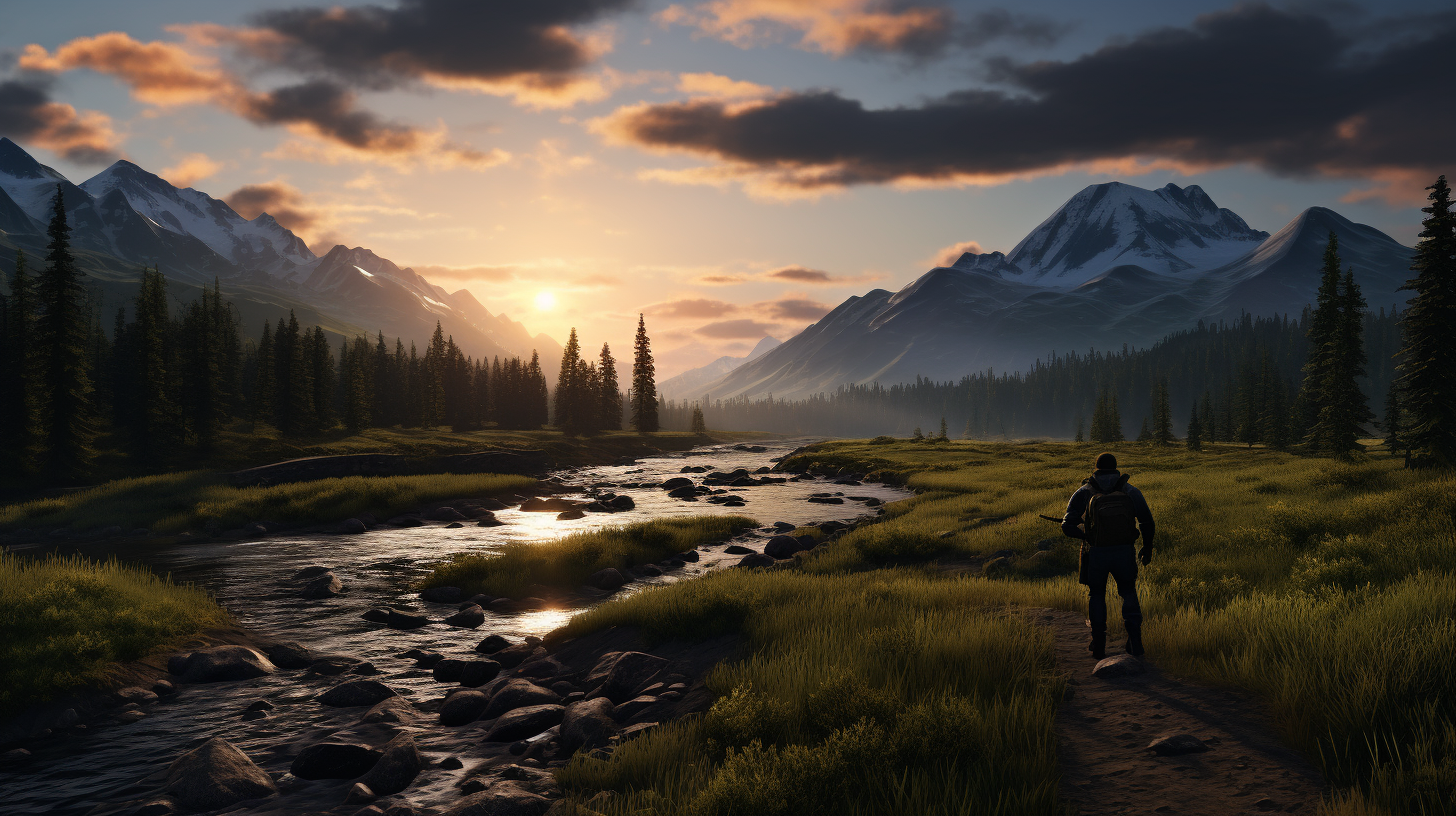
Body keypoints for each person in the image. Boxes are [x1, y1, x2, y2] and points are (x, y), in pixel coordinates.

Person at [1061, 452, 1155, 659]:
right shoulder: (1130, 491)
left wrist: (1087, 537)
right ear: (1115, 468)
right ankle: (1136, 642)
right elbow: (1147, 522)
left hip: (1095, 554)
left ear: (1096, 468)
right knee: (1128, 592)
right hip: (1124, 551)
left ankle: (1099, 644)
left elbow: (1067, 526)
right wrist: (1147, 548)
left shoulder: (1084, 491)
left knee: (1096, 595)